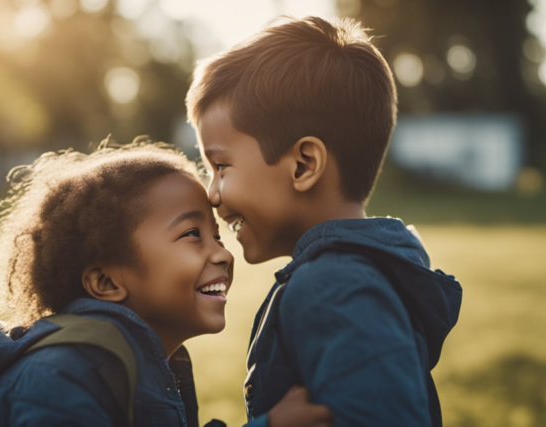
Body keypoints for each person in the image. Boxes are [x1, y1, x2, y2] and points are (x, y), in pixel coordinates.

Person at [186, 17, 464, 426]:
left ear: (303, 165)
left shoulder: (333, 286)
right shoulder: (353, 274)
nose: (211, 194)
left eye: (221, 166)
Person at [0, 140, 331, 427]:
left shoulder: (146, 362)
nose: (222, 254)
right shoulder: (61, 376)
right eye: (191, 234)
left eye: (217, 235)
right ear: (105, 281)